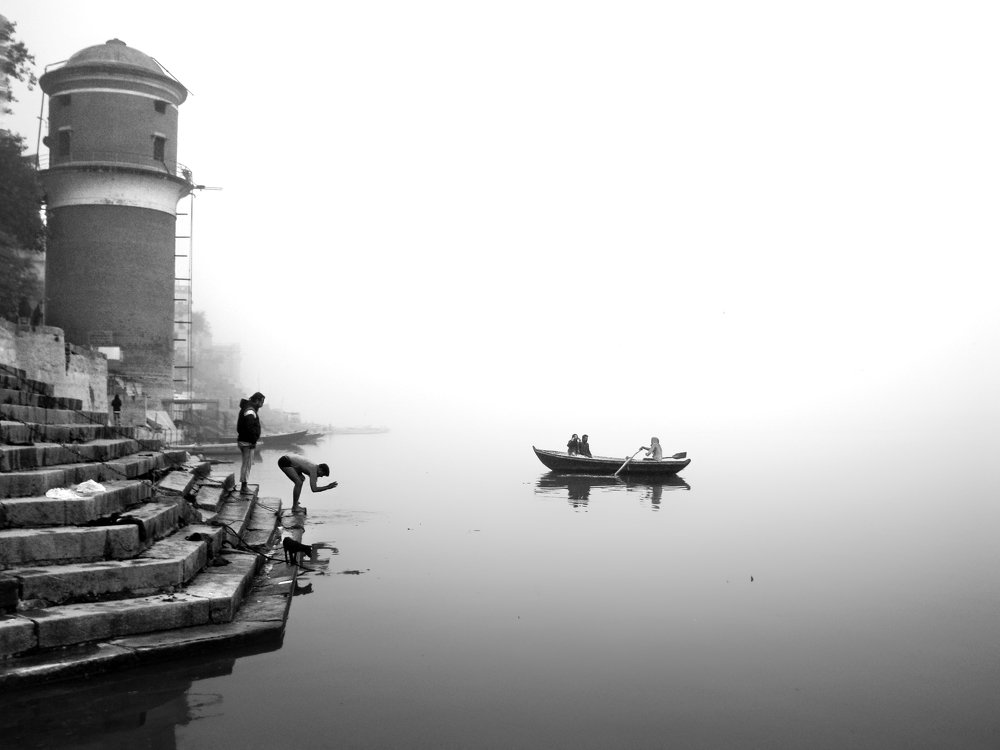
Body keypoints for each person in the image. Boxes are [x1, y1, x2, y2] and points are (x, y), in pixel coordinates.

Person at [236, 391, 265, 493]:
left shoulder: (248, 408)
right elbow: (249, 427)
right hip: (247, 442)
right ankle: (244, 487)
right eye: (262, 402)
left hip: (244, 440)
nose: (262, 404)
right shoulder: (250, 411)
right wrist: (253, 440)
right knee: (246, 464)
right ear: (257, 400)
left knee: (246, 463)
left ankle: (244, 485)